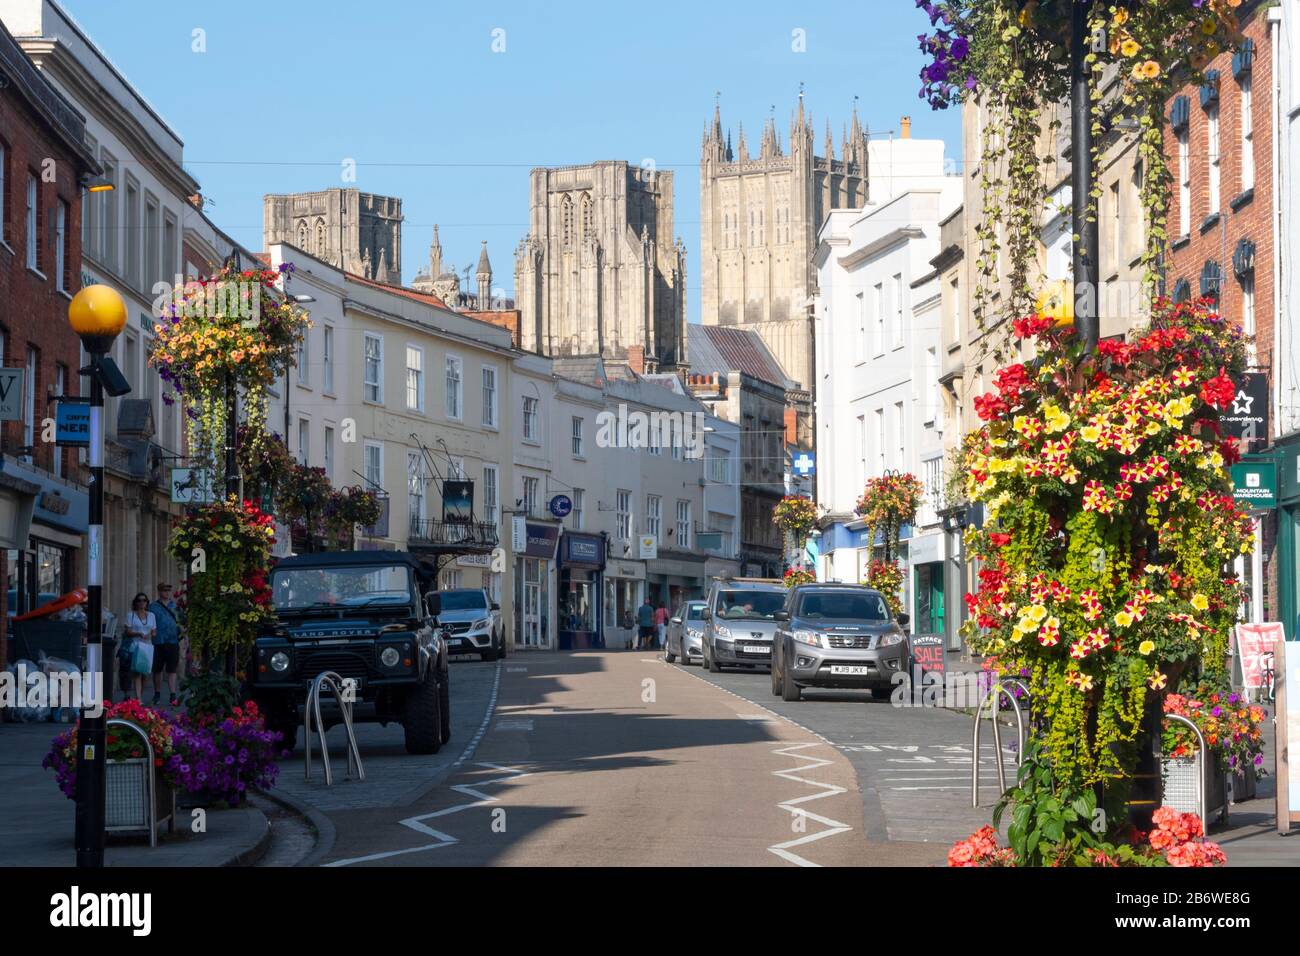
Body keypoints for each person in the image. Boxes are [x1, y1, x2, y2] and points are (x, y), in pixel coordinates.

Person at [149, 583, 181, 707]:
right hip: (157, 641)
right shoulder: (153, 607)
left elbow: (182, 622)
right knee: (157, 669)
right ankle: (157, 693)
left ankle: (173, 694)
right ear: (159, 591)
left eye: (169, 590)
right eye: (164, 590)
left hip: (173, 640)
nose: (167, 593)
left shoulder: (176, 606)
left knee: (172, 669)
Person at [123, 593, 156, 702]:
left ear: (147, 602)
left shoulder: (151, 615)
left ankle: (139, 695)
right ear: (136, 602)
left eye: (144, 600)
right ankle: (138, 698)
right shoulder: (130, 615)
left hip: (148, 646)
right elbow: (127, 631)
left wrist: (151, 634)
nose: (142, 603)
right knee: (137, 671)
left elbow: (154, 630)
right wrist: (138, 634)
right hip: (135, 646)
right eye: (139, 600)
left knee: (145, 673)